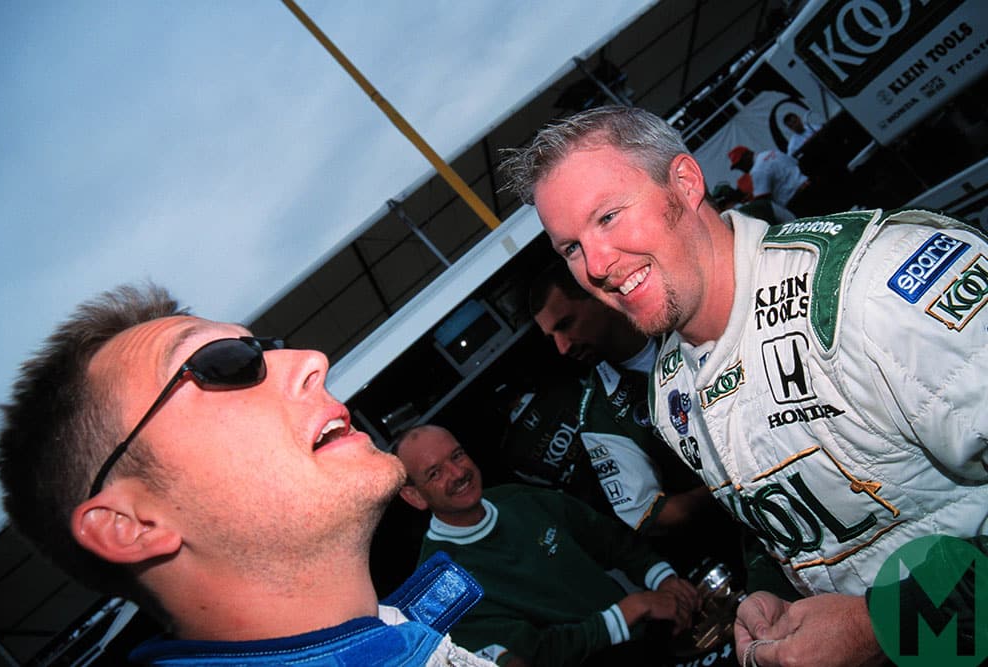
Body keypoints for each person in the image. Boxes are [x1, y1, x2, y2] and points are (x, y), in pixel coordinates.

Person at [500, 105, 988, 667]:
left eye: (608, 217)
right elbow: (776, 522)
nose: (598, 265)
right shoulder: (670, 391)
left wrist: (884, 625)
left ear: (684, 183)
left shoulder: (874, 285)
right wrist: (769, 594)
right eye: (571, 248)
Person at [0, 284, 493, 666]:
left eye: (264, 347)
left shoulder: (399, 634)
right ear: (135, 523)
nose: (311, 360)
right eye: (224, 363)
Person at [394, 424, 701, 666]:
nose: (458, 473)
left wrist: (664, 580)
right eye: (435, 473)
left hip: (651, 642)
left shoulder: (518, 499)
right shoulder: (440, 584)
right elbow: (529, 656)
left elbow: (610, 540)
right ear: (415, 496)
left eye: (457, 455)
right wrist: (627, 613)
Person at [526, 262, 739, 551]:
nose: (563, 347)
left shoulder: (679, 312)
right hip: (740, 538)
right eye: (552, 338)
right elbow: (652, 514)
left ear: (599, 297)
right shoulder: (598, 415)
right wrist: (732, 486)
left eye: (565, 325)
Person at [728, 144, 825, 218]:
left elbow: (763, 201)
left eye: (740, 164)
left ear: (748, 155)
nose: (741, 168)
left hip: (799, 201)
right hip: (810, 186)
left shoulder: (757, 171)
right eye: (737, 167)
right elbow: (795, 163)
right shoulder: (770, 153)